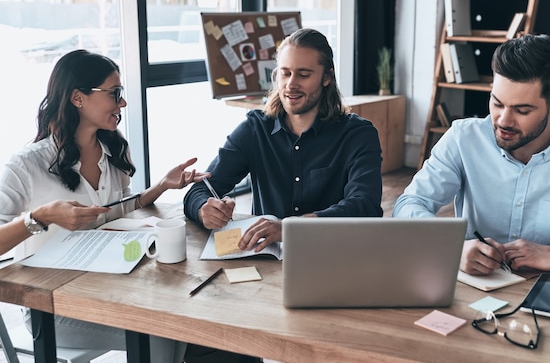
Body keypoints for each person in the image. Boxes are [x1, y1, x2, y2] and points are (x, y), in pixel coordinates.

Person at [182, 28, 383, 362]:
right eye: (285, 73)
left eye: (304, 74)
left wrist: (290, 226)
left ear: (327, 78)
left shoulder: (358, 134)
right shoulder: (255, 128)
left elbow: (364, 206)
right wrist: (204, 207)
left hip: (332, 266)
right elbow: (203, 186)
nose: (291, 84)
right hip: (266, 273)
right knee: (211, 339)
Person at [0, 49, 209, 362]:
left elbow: (119, 210)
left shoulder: (111, 153)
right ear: (78, 98)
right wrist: (41, 217)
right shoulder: (25, 166)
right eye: (115, 93)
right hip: (54, 308)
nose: (122, 103)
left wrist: (162, 186)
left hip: (107, 290)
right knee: (163, 332)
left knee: (184, 322)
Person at [393, 34, 550, 275]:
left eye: (522, 110)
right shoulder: (463, 139)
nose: (503, 120)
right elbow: (409, 204)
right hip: (471, 287)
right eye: (497, 103)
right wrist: (450, 248)